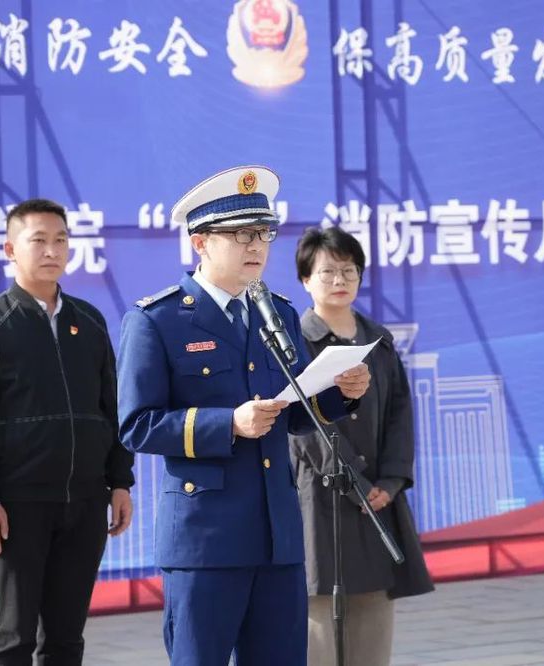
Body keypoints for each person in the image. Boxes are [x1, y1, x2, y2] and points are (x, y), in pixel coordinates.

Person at [116, 166, 371, 665]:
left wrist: (342, 394)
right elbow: (137, 424)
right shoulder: (157, 320)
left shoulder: (276, 312)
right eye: (239, 235)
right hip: (206, 541)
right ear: (200, 243)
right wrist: (228, 423)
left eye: (262, 233)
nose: (255, 246)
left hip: (277, 537)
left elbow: (294, 410)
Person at [0, 198, 135, 666]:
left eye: (60, 240)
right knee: (14, 636)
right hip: (20, 504)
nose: (52, 251)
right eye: (38, 240)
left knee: (66, 638)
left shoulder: (88, 321)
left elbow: (111, 409)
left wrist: (120, 481)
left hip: (86, 501)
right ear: (11, 250)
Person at [290, 226, 434, 666]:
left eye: (349, 271)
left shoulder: (378, 341)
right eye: (328, 271)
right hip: (320, 497)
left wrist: (389, 482)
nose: (340, 280)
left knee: (374, 609)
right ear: (306, 280)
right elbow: (302, 425)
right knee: (319, 615)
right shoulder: (295, 341)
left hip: (378, 497)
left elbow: (399, 413)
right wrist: (354, 480)